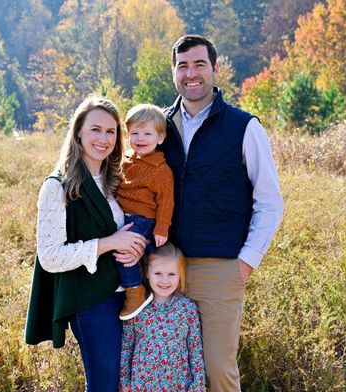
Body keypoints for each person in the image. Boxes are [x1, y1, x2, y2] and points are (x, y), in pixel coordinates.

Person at [161, 34, 284, 391]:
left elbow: (270, 201)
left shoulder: (244, 127)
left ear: (215, 70)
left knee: (218, 371)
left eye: (199, 64)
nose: (191, 73)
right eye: (183, 65)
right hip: (167, 268)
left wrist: (246, 262)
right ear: (174, 73)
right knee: (171, 370)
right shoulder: (159, 127)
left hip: (220, 269)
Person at [24, 96, 148, 392]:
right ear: (78, 131)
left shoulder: (117, 179)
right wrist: (109, 243)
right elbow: (50, 257)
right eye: (95, 129)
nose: (103, 139)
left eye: (111, 131)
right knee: (104, 384)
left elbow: (127, 228)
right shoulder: (58, 186)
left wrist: (135, 245)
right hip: (92, 300)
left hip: (130, 293)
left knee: (128, 383)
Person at [119, 243, 206, 391]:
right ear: (147, 272)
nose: (164, 280)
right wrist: (124, 382)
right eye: (158, 273)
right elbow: (127, 345)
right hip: (141, 385)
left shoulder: (188, 308)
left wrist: (197, 386)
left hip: (178, 385)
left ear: (180, 275)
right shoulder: (136, 306)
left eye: (171, 274)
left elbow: (195, 349)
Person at [115, 103, 174, 320]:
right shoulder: (125, 160)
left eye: (147, 133)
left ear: (160, 138)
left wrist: (161, 228)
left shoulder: (161, 170)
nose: (140, 138)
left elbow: (166, 202)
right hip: (124, 215)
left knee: (125, 253)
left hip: (143, 218)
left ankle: (134, 291)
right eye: (135, 133)